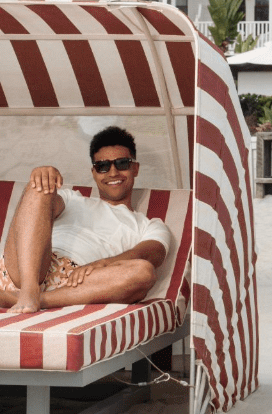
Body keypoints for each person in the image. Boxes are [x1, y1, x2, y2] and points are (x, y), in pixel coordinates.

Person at [0, 126, 174, 315]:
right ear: (94, 172)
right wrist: (44, 173)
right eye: (103, 166)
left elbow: (149, 254)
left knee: (144, 272)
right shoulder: (71, 199)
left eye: (122, 163)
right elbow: (34, 208)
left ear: (135, 168)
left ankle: (23, 299)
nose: (113, 172)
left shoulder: (149, 225)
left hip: (79, 283)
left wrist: (101, 264)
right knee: (40, 186)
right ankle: (28, 289)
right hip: (27, 267)